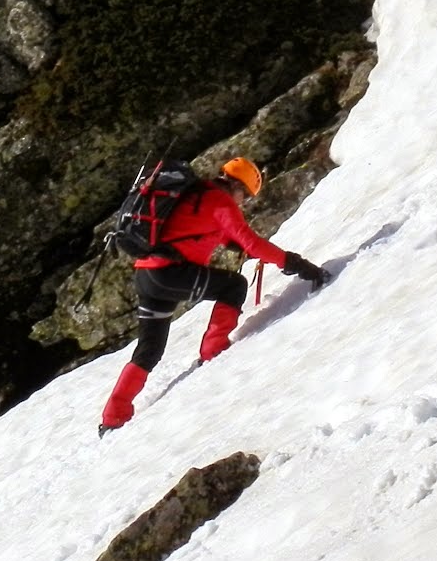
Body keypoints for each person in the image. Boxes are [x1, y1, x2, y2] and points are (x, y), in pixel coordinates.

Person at [99, 157, 326, 433]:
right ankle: (213, 349)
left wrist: (234, 245)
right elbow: (252, 243)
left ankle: (113, 417)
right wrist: (297, 264)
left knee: (149, 349)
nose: (244, 203)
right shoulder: (221, 203)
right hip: (170, 274)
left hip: (147, 276)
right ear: (239, 188)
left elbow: (198, 230)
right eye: (246, 196)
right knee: (234, 286)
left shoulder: (199, 192)